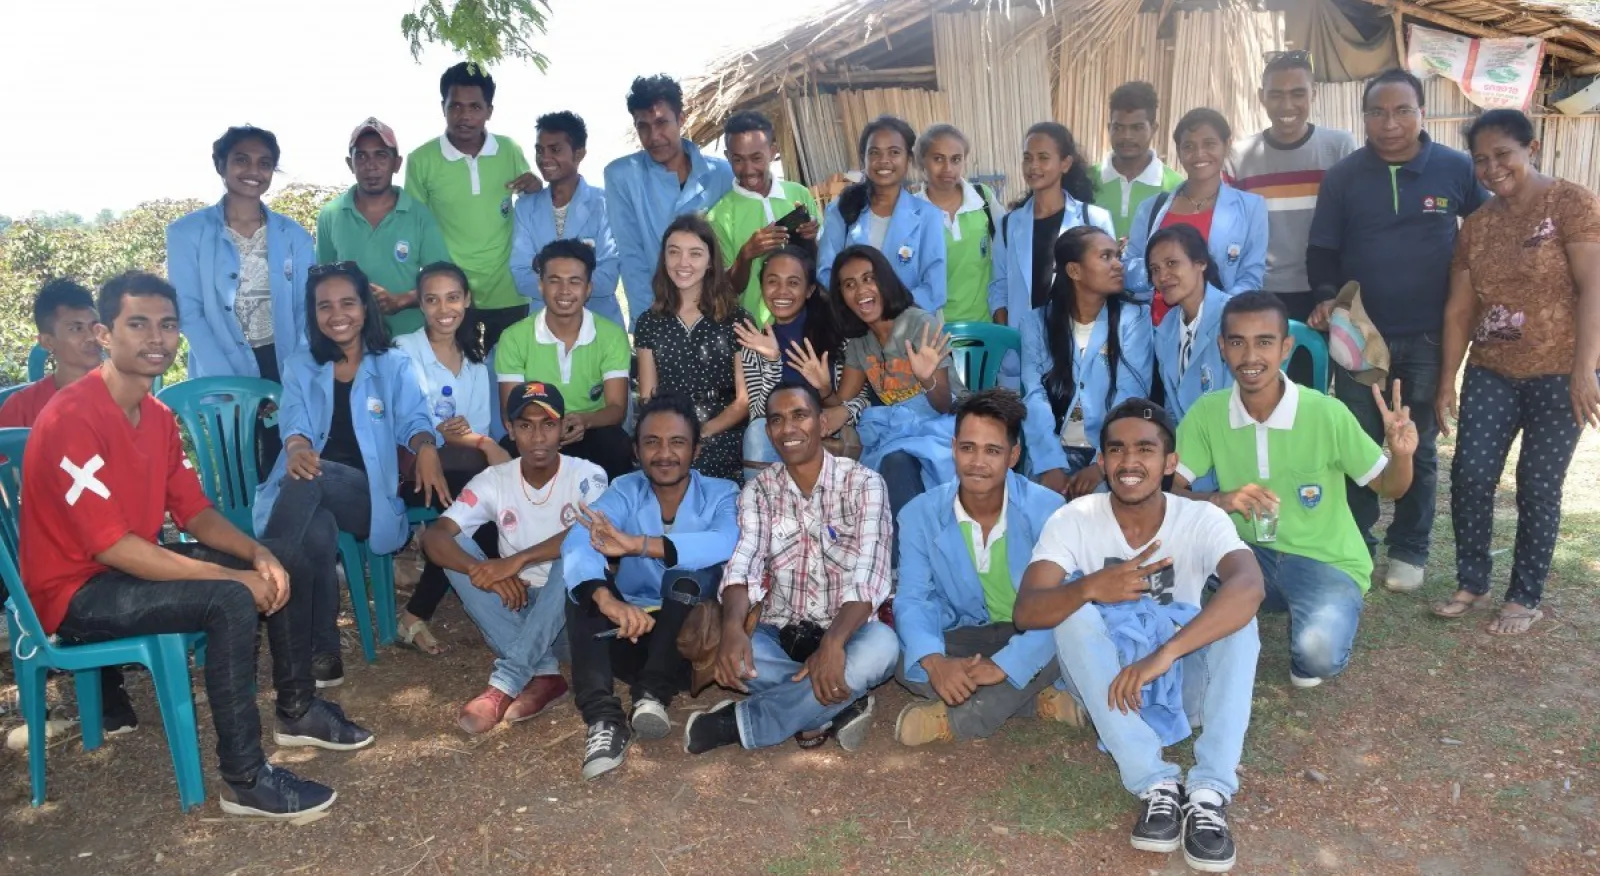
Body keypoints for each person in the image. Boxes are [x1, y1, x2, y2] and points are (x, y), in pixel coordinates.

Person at [21, 271, 368, 819]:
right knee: (230, 598)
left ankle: (297, 708)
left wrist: (258, 555)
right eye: (137, 324)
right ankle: (245, 779)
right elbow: (112, 548)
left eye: (167, 325)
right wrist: (235, 579)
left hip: (127, 566)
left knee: (279, 562)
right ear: (104, 334)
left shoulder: (157, 416)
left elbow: (195, 512)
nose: (155, 338)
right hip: (76, 591)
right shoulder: (72, 416)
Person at [1013, 399, 1265, 874]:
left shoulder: (1201, 519)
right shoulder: (1075, 519)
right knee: (1072, 612)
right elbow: (1027, 611)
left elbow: (1250, 585)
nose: (1130, 462)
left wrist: (1165, 653)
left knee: (1240, 618)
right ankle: (1155, 784)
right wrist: (1090, 587)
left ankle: (1209, 792)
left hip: (1180, 684)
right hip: (1108, 687)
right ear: (1102, 461)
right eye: (1117, 450)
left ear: (1170, 463)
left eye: (1146, 450)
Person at [1172, 292, 1418, 688]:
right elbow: (1167, 490)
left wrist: (1402, 455)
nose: (1250, 356)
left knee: (1316, 657)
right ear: (1222, 348)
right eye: (1237, 342)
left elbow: (1390, 487)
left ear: (1286, 347)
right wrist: (1219, 500)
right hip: (1246, 556)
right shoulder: (1209, 412)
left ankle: (1318, 611)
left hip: (1325, 560)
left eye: (1264, 342)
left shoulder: (1327, 413)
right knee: (1169, 569)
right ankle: (1246, 605)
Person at [1307, 68, 1486, 592]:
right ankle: (1359, 542)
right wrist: (1324, 298)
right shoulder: (1343, 177)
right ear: (1363, 118)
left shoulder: (1456, 169)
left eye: (1402, 111)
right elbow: (1322, 251)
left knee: (1418, 445)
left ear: (1422, 113)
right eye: (1378, 112)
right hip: (1359, 337)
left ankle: (1410, 549)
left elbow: (1488, 230)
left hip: (1431, 338)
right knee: (1359, 443)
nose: (1390, 123)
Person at [1433, 109, 1600, 634]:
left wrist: (1585, 370)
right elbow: (1460, 310)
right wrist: (1446, 380)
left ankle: (1524, 596)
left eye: (1502, 154)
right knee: (1471, 473)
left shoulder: (1572, 204)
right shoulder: (1477, 228)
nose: (1492, 168)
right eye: (1481, 160)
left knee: (1537, 483)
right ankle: (1473, 581)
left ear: (1531, 146)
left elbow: (1595, 286)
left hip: (1559, 371)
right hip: (1491, 370)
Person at [254, 263, 450, 688]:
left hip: (367, 496)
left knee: (311, 479)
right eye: (325, 306)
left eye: (348, 302)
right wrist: (298, 446)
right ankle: (324, 652)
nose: (337, 314)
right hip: (307, 486)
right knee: (317, 526)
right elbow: (294, 423)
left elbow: (415, 419)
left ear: (365, 308)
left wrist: (426, 446)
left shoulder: (392, 363)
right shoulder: (301, 364)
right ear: (314, 313)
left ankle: (265, 586)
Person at [691, 381, 898, 755]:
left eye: (800, 415)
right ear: (768, 431)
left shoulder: (864, 484)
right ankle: (835, 704)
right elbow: (744, 563)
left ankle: (741, 723)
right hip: (781, 634)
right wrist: (732, 627)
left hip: (848, 635)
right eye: (776, 420)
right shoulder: (758, 491)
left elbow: (870, 579)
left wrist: (833, 644)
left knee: (882, 649)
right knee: (743, 656)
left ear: (821, 423)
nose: (788, 428)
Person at [561, 393, 740, 780]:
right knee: (585, 586)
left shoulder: (723, 492)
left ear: (696, 450)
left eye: (677, 442)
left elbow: (727, 542)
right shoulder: (626, 489)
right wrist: (606, 600)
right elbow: (579, 541)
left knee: (688, 574)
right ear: (636, 450)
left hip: (686, 648)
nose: (664, 453)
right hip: (631, 631)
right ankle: (604, 722)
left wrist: (637, 544)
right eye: (652, 442)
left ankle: (652, 696)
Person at [892, 389, 1082, 746]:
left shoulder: (1050, 511)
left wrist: (1005, 665)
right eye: (968, 448)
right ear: (953, 448)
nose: (977, 462)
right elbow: (913, 599)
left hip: (1035, 635)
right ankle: (1034, 696)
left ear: (1013, 456)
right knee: (905, 658)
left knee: (1072, 630)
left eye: (992, 450)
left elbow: (1067, 603)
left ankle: (960, 720)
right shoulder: (919, 514)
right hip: (967, 635)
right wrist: (936, 662)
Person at [423, 382, 609, 733]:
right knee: (454, 549)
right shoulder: (493, 480)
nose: (537, 436)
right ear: (509, 429)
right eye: (525, 425)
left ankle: (506, 682)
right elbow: (435, 536)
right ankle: (545, 674)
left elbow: (592, 532)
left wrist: (515, 561)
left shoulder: (588, 475)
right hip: (515, 606)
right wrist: (481, 570)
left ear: (563, 426)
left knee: (576, 553)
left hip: (569, 614)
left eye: (548, 424)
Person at [393, 262, 510, 654]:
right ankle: (504, 579)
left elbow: (467, 432)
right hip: (408, 472)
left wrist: (478, 442)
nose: (444, 309)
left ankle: (414, 615)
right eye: (432, 299)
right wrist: (482, 444)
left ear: (467, 300)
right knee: (478, 499)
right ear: (421, 305)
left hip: (458, 473)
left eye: (453, 297)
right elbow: (401, 423)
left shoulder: (475, 362)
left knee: (471, 503)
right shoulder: (402, 352)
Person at [405, 62, 541, 351]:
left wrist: (535, 186)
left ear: (489, 110)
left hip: (508, 288)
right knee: (453, 374)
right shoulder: (421, 159)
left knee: (510, 375)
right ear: (443, 106)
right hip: (450, 294)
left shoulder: (509, 150)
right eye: (455, 106)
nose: (464, 116)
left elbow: (531, 204)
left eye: (475, 107)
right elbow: (415, 226)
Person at [832, 245, 956, 534]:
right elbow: (842, 403)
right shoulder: (859, 341)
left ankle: (905, 564)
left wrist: (926, 379)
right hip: (894, 434)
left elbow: (944, 404)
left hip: (940, 428)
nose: (860, 290)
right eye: (849, 285)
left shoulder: (919, 323)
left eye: (868, 278)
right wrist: (823, 387)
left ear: (885, 281)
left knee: (896, 463)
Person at [1022, 227, 1153, 499]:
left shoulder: (1134, 319)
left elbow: (1131, 396)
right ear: (1074, 271)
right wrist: (1049, 463)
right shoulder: (1036, 323)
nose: (1118, 264)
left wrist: (1102, 463)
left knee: (1102, 515)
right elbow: (1034, 397)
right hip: (1053, 448)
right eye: (1106, 256)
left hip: (1111, 451)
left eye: (1118, 255)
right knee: (1041, 508)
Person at [1229, 52, 1356, 324]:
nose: (1287, 105)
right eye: (1276, 94)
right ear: (1261, 96)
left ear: (1314, 93)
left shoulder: (1339, 148)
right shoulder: (1238, 158)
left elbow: (1353, 224)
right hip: (1260, 293)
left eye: (1298, 93)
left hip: (1327, 294)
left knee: (1318, 366)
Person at [494, 240, 634, 479]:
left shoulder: (611, 336)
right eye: (554, 281)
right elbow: (511, 411)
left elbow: (616, 409)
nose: (564, 291)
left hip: (589, 430)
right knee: (509, 447)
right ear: (540, 285)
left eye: (575, 282)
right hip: (535, 432)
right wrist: (547, 427)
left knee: (616, 444)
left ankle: (608, 515)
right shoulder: (514, 337)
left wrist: (584, 420)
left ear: (588, 288)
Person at [605, 74, 734, 328]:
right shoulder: (622, 176)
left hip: (717, 313)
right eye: (642, 126)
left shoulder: (722, 173)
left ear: (682, 120)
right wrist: (650, 323)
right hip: (657, 311)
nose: (653, 136)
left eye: (662, 122)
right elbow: (631, 255)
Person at [734, 246, 869, 481]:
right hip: (783, 440)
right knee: (757, 431)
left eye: (793, 283)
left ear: (809, 290)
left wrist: (839, 405)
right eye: (773, 282)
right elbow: (759, 414)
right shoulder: (755, 343)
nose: (782, 291)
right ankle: (764, 512)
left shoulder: (838, 335)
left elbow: (865, 398)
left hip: (829, 435)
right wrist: (772, 360)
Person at [635, 215, 750, 482]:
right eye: (673, 252)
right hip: (668, 430)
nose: (682, 263)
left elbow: (743, 401)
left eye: (695, 254)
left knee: (698, 471)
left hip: (721, 429)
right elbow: (647, 397)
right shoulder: (649, 322)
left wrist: (702, 431)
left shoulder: (736, 319)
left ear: (710, 262)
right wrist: (669, 435)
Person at [1126, 108, 1268, 324]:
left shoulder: (1250, 207)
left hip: (1216, 329)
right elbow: (1130, 267)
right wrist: (1162, 272)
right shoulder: (1151, 208)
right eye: (1189, 146)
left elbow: (1251, 277)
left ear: (1227, 144)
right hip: (1153, 329)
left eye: (1209, 144)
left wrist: (1214, 313)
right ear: (1179, 152)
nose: (1199, 154)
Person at [315, 117, 451, 337]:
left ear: (396, 163)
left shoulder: (419, 215)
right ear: (350, 164)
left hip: (407, 340)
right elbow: (321, 284)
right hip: (350, 343)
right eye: (361, 156)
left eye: (381, 155)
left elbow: (443, 283)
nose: (371, 166)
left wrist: (402, 300)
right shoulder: (331, 215)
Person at [990, 122, 1115, 327]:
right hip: (1022, 346)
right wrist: (1008, 338)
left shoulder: (1093, 220)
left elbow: (1108, 284)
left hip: (1078, 343)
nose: (1033, 166)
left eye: (1043, 158)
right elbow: (998, 287)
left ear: (1065, 164)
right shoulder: (1008, 225)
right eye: (1027, 158)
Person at [817, 115, 947, 312]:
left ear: (909, 159)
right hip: (855, 328)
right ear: (864, 159)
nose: (884, 161)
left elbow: (934, 288)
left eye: (894, 152)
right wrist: (862, 308)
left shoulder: (928, 216)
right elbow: (826, 272)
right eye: (874, 153)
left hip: (910, 328)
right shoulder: (840, 211)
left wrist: (888, 310)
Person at [509, 111, 623, 326]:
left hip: (599, 326)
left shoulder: (605, 204)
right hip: (543, 329)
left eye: (555, 149)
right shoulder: (525, 207)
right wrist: (579, 274)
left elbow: (608, 279)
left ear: (579, 154)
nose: (545, 158)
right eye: (540, 150)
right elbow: (520, 277)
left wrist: (545, 270)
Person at [708, 110, 822, 324]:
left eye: (757, 158)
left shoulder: (799, 195)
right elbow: (727, 290)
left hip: (810, 323)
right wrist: (745, 255)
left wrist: (812, 239)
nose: (748, 169)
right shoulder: (718, 216)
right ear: (727, 157)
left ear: (773, 152)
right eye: (738, 160)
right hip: (756, 332)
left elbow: (820, 266)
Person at [915, 123, 1004, 324]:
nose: (948, 168)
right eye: (938, 159)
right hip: (936, 331)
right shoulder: (912, 213)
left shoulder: (983, 199)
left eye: (956, 159)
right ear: (922, 162)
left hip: (986, 325)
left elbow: (1006, 255)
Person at [1149, 224, 1233, 423]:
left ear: (1201, 263)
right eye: (1155, 269)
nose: (1162, 277)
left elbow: (1240, 401)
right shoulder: (1165, 329)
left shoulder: (1233, 317)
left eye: (1172, 263)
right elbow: (1171, 408)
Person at [0, 279, 103, 428]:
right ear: (47, 342)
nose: (92, 337)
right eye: (76, 328)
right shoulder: (21, 408)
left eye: (94, 326)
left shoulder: (129, 397)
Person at [1092, 82, 1185, 245]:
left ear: (1154, 129)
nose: (1127, 136)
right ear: (1109, 128)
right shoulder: (1086, 180)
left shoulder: (1175, 187)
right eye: (1119, 127)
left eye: (1137, 128)